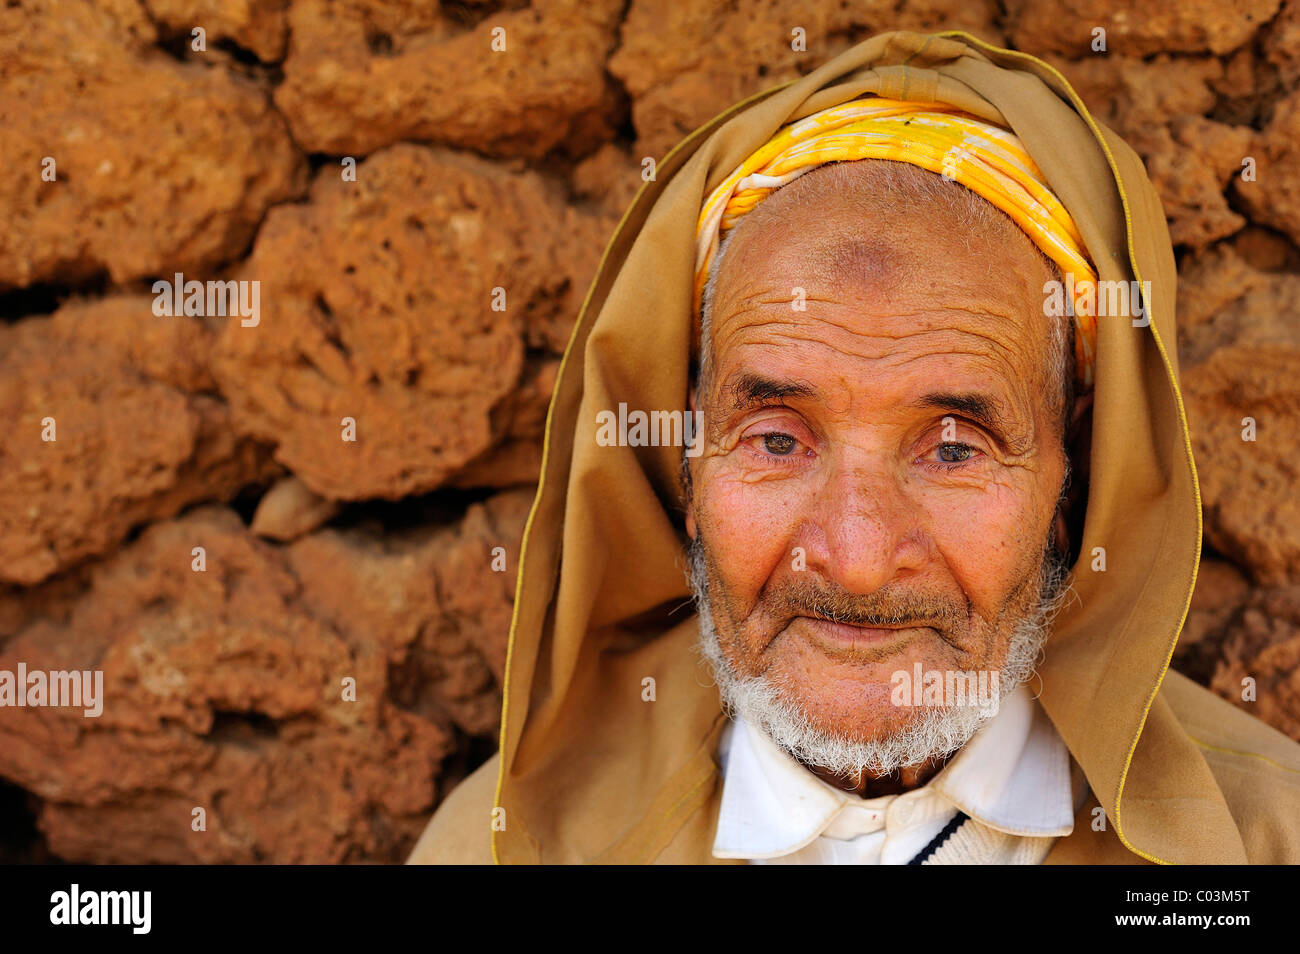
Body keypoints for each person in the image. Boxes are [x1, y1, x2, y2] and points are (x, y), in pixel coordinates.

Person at [409, 29, 1300, 864]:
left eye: (954, 451)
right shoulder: (499, 849)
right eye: (776, 441)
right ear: (685, 459)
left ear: (1074, 478)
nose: (859, 561)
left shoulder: (1258, 844)